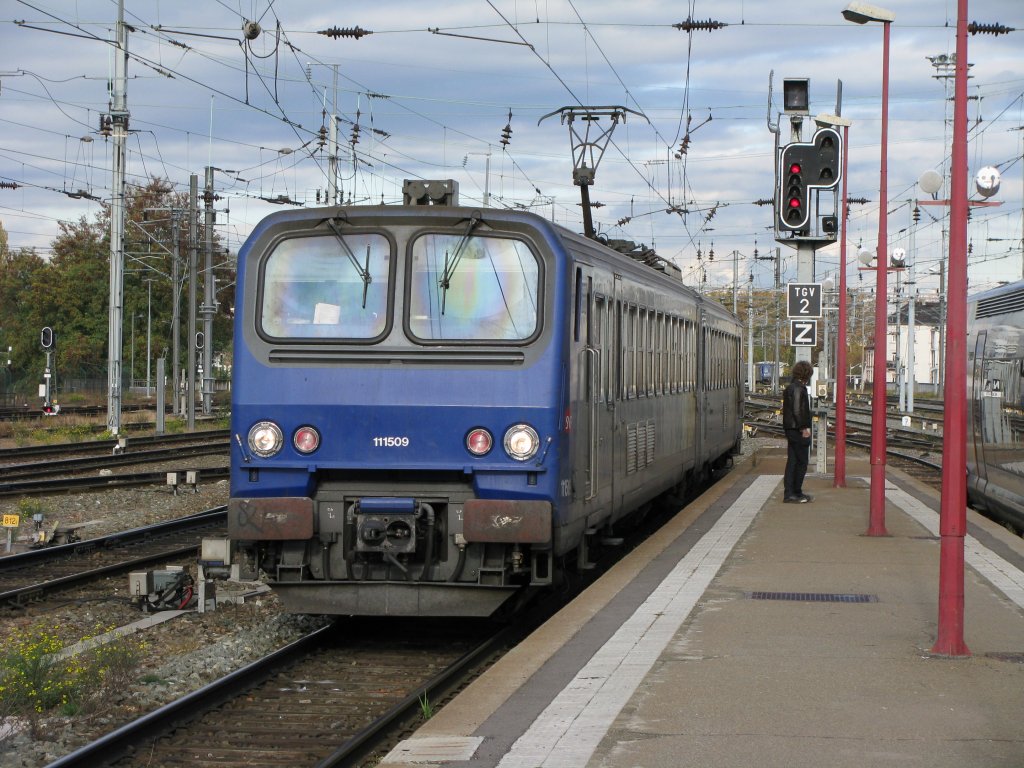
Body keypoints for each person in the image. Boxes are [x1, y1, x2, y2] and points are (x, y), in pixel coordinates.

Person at [782, 360, 814, 503]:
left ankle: (791, 493)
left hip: (791, 429)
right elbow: (797, 410)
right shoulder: (798, 389)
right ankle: (794, 492)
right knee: (801, 462)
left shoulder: (791, 387)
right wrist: (804, 428)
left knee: (793, 461)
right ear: (807, 374)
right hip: (797, 430)